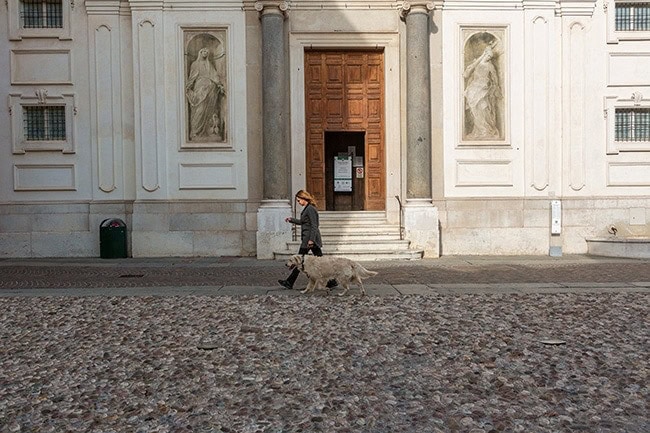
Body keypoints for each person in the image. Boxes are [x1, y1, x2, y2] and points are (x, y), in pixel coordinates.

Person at [278, 190, 336, 290]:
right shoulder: (307, 209)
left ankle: (289, 282)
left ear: (304, 198)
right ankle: (331, 282)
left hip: (309, 240)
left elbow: (314, 225)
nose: (298, 202)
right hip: (308, 239)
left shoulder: (310, 209)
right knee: (317, 261)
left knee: (299, 260)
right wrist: (291, 220)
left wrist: (311, 240)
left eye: (299, 200)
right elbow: (303, 222)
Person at [463, 44, 502, 140]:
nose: (489, 58)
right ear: (485, 54)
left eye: (490, 57)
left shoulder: (490, 66)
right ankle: (479, 129)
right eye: (488, 55)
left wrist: (495, 86)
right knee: (475, 109)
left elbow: (494, 77)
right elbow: (467, 73)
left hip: (483, 88)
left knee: (483, 108)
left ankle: (486, 129)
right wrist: (480, 58)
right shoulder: (477, 63)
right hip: (475, 86)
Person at [186, 47, 225, 141]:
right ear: (200, 52)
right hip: (199, 88)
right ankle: (195, 131)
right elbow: (192, 76)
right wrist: (188, 86)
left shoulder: (209, 64)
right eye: (204, 51)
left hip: (210, 89)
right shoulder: (195, 64)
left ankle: (207, 131)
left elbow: (214, 75)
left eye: (207, 52)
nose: (205, 53)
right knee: (199, 109)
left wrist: (219, 84)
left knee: (209, 110)